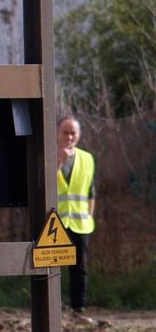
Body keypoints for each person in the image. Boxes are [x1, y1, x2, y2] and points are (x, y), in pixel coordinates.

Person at [55, 116, 96, 316]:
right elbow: (42, 183)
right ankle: (52, 309)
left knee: (79, 267)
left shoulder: (87, 159)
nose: (69, 137)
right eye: (65, 132)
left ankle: (78, 309)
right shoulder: (48, 155)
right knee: (51, 267)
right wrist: (58, 161)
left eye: (73, 133)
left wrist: (89, 216)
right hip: (55, 223)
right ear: (57, 134)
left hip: (80, 223)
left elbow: (90, 192)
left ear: (79, 135)